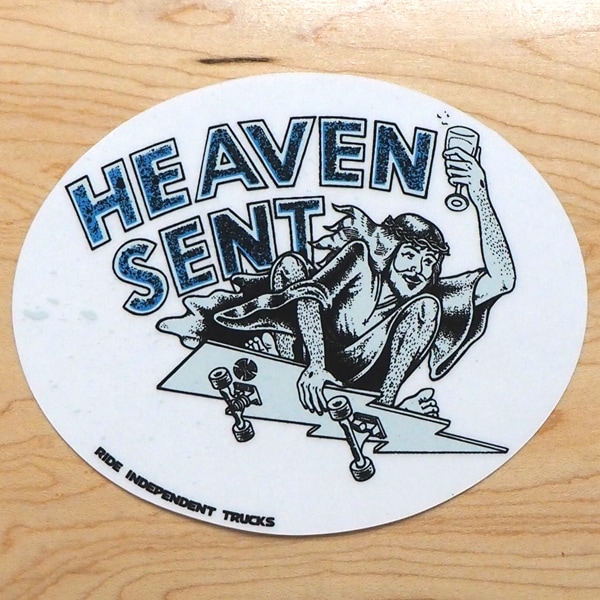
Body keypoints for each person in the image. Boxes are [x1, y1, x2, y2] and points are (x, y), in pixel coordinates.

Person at [158, 145, 515, 417]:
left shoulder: (425, 300)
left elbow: (502, 280)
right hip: (305, 359)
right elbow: (309, 297)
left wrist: (480, 194)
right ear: (390, 251)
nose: (418, 269)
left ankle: (387, 406)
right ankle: (281, 364)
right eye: (410, 255)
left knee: (427, 307)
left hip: (366, 385)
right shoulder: (360, 259)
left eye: (429, 262)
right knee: (290, 267)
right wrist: (315, 366)